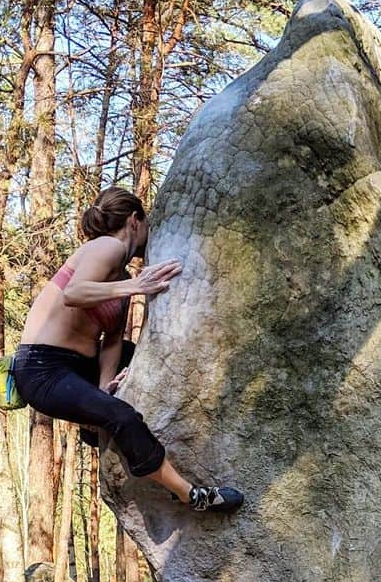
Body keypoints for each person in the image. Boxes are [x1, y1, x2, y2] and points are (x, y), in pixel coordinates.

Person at [13, 185, 244, 513]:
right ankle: (190, 495)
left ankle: (95, 424)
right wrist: (135, 286)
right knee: (121, 415)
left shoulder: (119, 272)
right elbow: (73, 292)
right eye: (147, 223)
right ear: (135, 220)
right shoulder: (106, 247)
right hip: (42, 370)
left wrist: (105, 387)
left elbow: (112, 342)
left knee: (136, 359)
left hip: (81, 365)